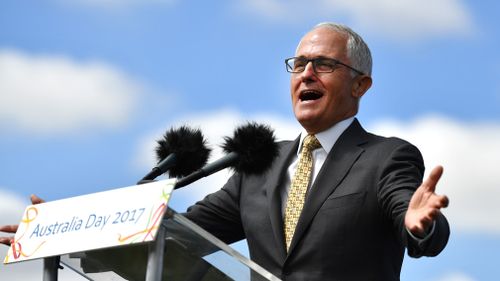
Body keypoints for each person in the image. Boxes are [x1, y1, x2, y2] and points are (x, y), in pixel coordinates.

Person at [1, 22, 449, 280]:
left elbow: (414, 219)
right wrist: (64, 232)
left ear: (360, 84)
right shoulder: (260, 163)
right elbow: (177, 232)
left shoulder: (387, 157)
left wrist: (421, 226)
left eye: (324, 64)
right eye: (299, 64)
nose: (306, 74)